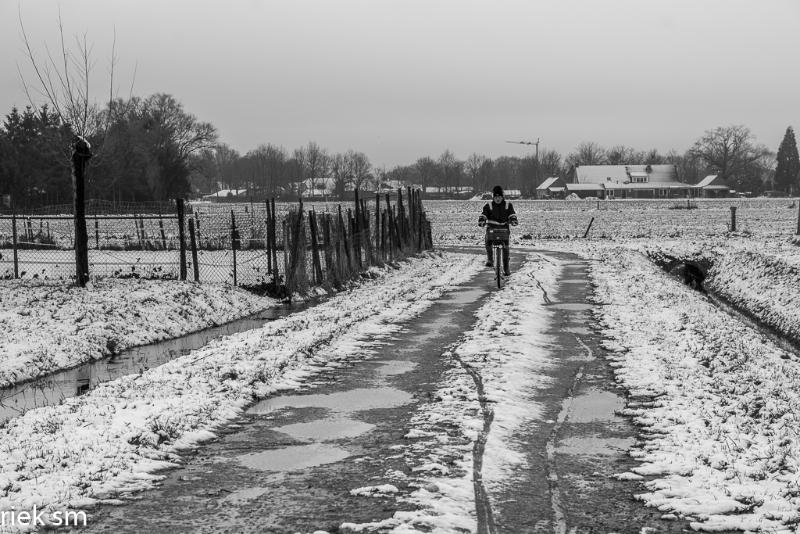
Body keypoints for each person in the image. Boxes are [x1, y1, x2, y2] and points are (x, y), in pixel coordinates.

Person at [478, 185, 518, 275]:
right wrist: (482, 220)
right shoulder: (488, 206)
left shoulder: (508, 205)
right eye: (495, 197)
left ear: (502, 196)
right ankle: (490, 259)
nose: (497, 199)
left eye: (499, 196)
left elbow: (512, 214)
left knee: (505, 248)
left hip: (503, 229)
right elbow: (484, 214)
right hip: (493, 229)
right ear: (493, 197)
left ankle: (506, 268)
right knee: (488, 241)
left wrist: (513, 220)